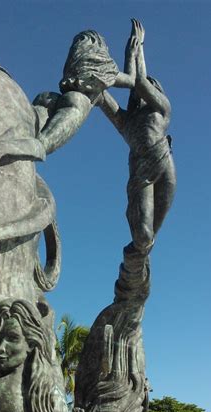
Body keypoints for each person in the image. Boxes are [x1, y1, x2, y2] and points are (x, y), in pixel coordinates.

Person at [98, 20, 176, 254]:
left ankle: (138, 272)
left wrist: (136, 49)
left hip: (164, 167)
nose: (146, 91)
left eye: (152, 87)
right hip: (140, 176)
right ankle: (134, 270)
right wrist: (90, 79)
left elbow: (139, 81)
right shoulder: (127, 122)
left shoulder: (161, 108)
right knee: (142, 237)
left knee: (149, 240)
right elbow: (102, 97)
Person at [34, 21, 139, 155]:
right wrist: (131, 54)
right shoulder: (102, 68)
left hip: (50, 97)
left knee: (29, 129)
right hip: (76, 102)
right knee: (41, 145)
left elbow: (105, 100)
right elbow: (132, 80)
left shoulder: (74, 64)